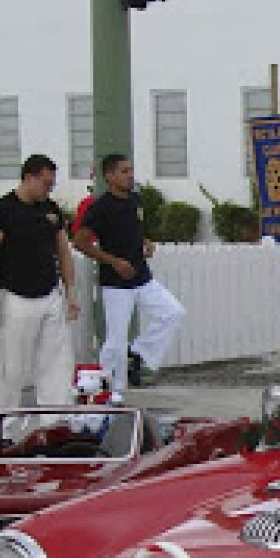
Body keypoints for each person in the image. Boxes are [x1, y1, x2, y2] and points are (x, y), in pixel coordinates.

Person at [73, 153, 186, 398]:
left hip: (142, 276)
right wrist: (113, 262)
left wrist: (145, 242)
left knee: (172, 312)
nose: (130, 175)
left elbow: (130, 230)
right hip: (116, 283)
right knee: (115, 338)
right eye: (124, 171)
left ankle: (139, 352)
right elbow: (80, 242)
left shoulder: (135, 200)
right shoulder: (100, 208)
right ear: (109, 176)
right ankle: (113, 391)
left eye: (131, 170)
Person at [0, 153, 80, 413]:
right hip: (16, 296)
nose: (49, 189)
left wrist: (71, 293)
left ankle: (54, 418)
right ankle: (3, 421)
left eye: (52, 184)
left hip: (49, 294)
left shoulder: (51, 210)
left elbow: (64, 252)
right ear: (29, 177)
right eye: (46, 183)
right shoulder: (0, 211)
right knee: (11, 367)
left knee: (55, 363)